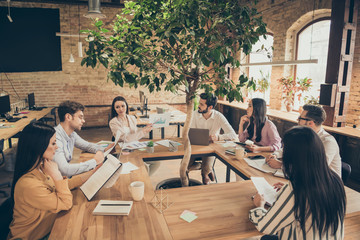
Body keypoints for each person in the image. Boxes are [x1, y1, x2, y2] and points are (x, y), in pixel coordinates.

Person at [249, 126, 346, 239]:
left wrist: (259, 205)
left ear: (292, 156)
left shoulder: (296, 190)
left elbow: (264, 226)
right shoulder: (335, 180)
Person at [8, 122, 96, 240]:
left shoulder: (40, 167)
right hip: (33, 237)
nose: (57, 147)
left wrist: (92, 173)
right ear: (39, 146)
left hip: (46, 229)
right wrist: (57, 176)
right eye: (53, 143)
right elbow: (66, 203)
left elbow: (62, 186)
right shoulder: (29, 184)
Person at [266, 104, 342, 177]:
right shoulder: (303, 135)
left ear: (310, 123)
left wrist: (281, 165)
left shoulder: (328, 142)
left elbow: (315, 169)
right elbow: (288, 149)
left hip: (325, 186)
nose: (297, 120)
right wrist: (274, 155)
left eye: (300, 118)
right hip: (304, 179)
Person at [54, 101, 113, 177]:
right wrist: (94, 161)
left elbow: (87, 146)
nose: (83, 120)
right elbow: (64, 170)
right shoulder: (55, 138)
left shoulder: (72, 134)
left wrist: (105, 149)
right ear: (68, 117)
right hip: (54, 184)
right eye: (80, 117)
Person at [190, 92, 237, 184]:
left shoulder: (218, 116)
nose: (198, 106)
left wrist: (218, 137)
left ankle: (206, 172)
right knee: (185, 168)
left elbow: (233, 135)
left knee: (205, 171)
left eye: (201, 104)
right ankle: (202, 167)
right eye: (199, 103)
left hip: (210, 148)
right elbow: (189, 132)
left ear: (210, 107)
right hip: (194, 146)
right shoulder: (194, 114)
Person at [109, 96, 159, 175]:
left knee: (156, 162)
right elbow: (126, 139)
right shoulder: (113, 122)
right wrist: (143, 131)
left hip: (135, 146)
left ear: (126, 106)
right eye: (117, 107)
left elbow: (135, 134)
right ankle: (143, 181)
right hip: (123, 150)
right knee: (144, 166)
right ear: (114, 109)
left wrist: (145, 128)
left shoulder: (132, 118)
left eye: (123, 106)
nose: (121, 109)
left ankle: (144, 179)